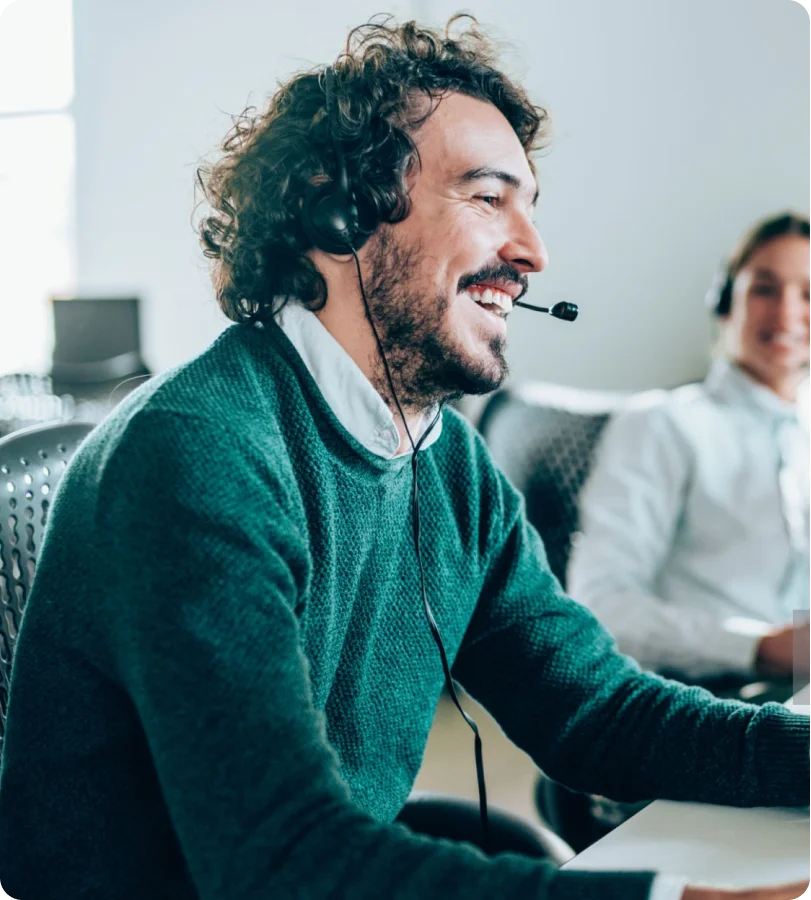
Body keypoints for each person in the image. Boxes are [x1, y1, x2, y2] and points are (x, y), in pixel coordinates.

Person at [0, 18, 806, 900]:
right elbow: (278, 862)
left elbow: (592, 708)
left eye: (529, 206)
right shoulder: (198, 451)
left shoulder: (443, 459)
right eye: (488, 197)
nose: (533, 253)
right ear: (339, 212)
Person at [569, 212, 811, 686]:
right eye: (764, 288)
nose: (786, 313)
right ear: (725, 301)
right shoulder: (662, 423)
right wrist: (758, 648)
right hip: (696, 700)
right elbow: (602, 604)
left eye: (808, 294)